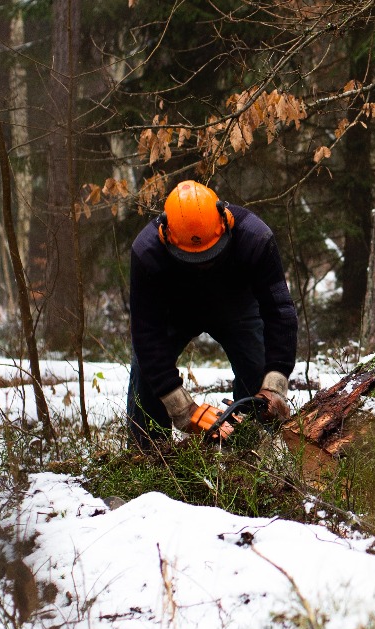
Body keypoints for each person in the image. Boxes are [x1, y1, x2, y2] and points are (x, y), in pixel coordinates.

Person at [127, 180, 297, 448]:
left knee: (258, 372)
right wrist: (179, 406)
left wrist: (275, 384)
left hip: (237, 306)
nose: (204, 265)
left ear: (225, 222)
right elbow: (146, 333)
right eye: (193, 258)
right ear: (166, 236)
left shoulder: (255, 237)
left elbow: (280, 311)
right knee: (146, 377)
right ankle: (147, 456)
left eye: (211, 255)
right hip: (174, 312)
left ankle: (249, 453)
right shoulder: (147, 252)